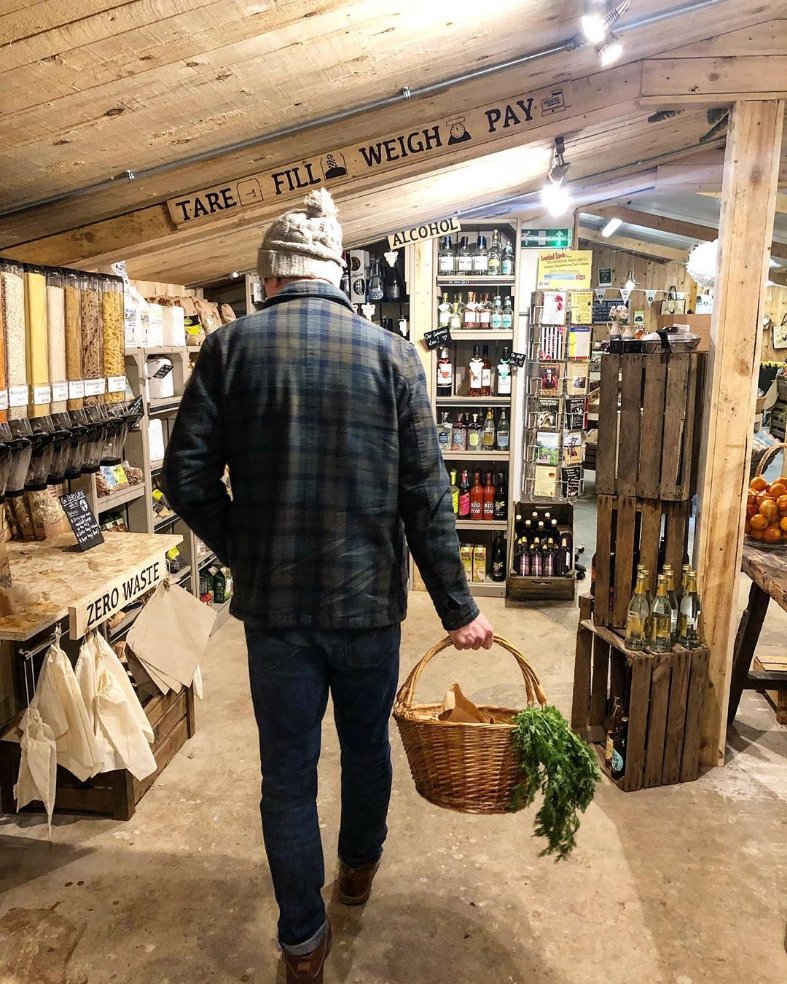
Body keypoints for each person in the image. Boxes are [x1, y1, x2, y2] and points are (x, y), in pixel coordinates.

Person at [163, 188, 493, 983]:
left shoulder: (230, 349)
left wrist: (246, 546)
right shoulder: (393, 357)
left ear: (268, 279)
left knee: (286, 773)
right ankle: (357, 871)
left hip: (275, 609)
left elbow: (184, 476)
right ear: (335, 276)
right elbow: (425, 496)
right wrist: (458, 608)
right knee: (365, 749)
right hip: (368, 605)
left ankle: (303, 944)